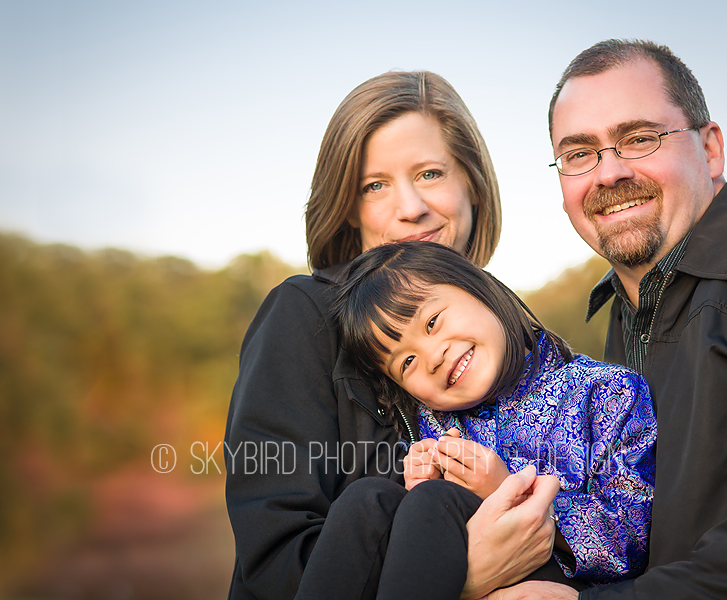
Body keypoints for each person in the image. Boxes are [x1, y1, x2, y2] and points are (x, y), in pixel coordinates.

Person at [512, 38, 727, 599]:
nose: (608, 173)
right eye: (580, 153)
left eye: (638, 138)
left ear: (712, 148)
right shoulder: (625, 319)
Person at [223, 70, 559, 600]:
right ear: (348, 208)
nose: (410, 207)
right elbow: (275, 563)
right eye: (374, 185)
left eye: (429, 173)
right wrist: (460, 578)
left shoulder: (516, 339)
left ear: (470, 180)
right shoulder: (304, 314)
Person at [295, 240, 655, 599]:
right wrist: (418, 492)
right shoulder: (438, 426)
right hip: (473, 576)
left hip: (557, 586)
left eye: (432, 322)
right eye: (406, 363)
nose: (432, 358)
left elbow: (633, 540)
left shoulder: (607, 391)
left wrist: (508, 491)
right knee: (367, 500)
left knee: (434, 501)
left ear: (477, 288)